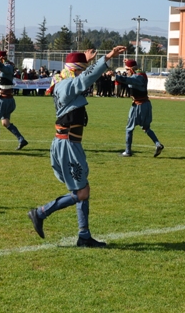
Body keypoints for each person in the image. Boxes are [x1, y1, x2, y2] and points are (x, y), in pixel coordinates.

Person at [27, 46, 126, 247]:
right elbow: (85, 79)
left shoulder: (64, 82)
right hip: (68, 144)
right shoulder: (67, 85)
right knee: (82, 192)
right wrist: (107, 58)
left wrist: (87, 63)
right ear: (75, 70)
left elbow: (82, 77)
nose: (83, 73)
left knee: (82, 188)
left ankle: (84, 236)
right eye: (81, 69)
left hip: (69, 143)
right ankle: (41, 212)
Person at [115, 58, 164, 157]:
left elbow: (128, 80)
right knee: (146, 128)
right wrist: (129, 61)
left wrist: (115, 76)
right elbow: (134, 73)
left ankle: (127, 151)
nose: (126, 71)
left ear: (132, 69)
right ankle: (158, 144)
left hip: (138, 105)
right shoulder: (141, 74)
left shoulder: (137, 77)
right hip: (146, 105)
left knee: (129, 129)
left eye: (127, 69)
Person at [0, 49, 28, 150]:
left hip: (3, 100)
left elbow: (1, 67)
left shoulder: (7, 67)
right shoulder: (8, 66)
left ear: (2, 58)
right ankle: (21, 140)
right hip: (9, 100)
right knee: (5, 122)